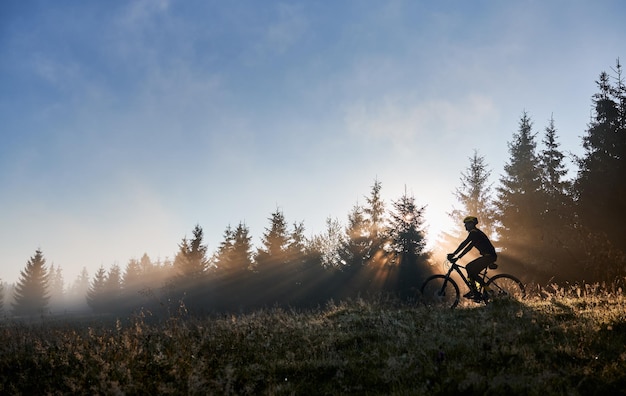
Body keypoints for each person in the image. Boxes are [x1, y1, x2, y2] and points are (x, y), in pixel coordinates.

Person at [447, 216, 497, 300]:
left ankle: (487, 291)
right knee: (471, 271)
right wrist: (455, 254)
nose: (465, 226)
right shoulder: (475, 233)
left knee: (469, 268)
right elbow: (466, 245)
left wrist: (456, 256)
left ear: (471, 224)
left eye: (466, 224)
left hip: (489, 257)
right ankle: (475, 291)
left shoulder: (475, 233)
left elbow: (466, 245)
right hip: (488, 256)